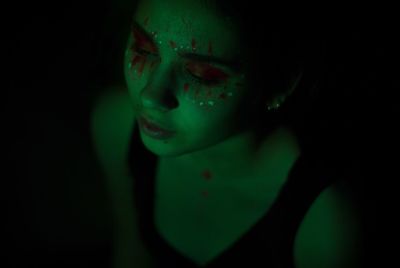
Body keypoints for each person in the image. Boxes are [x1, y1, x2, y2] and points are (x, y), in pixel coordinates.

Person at [91, 0, 363, 267]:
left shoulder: (325, 221)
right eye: (144, 48)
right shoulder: (116, 123)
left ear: (279, 84)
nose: (150, 95)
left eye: (201, 76)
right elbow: (132, 250)